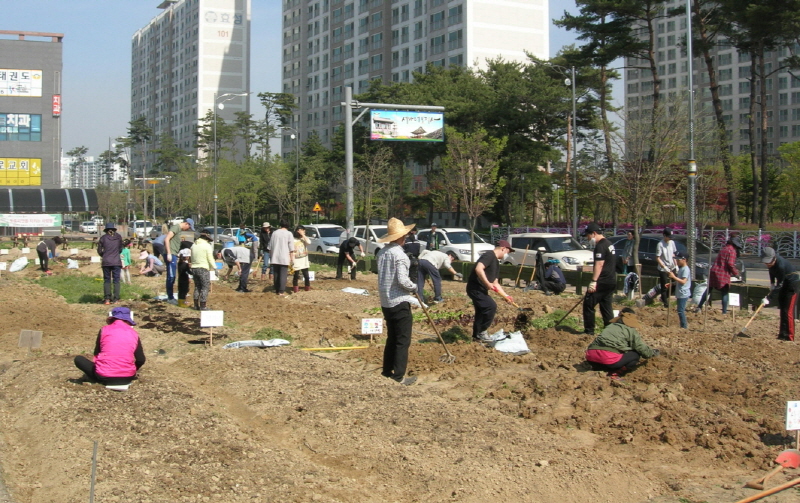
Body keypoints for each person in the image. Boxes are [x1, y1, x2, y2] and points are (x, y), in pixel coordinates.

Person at [376, 218, 418, 386]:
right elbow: (402, 280)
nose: (406, 238)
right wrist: (414, 287)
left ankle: (387, 371)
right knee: (402, 340)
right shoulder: (399, 255)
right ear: (401, 237)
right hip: (399, 301)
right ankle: (399, 376)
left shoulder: (382, 253)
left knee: (391, 338)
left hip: (386, 301)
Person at [73, 307, 145, 386]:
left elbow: (97, 353)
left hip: (104, 376)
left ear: (112, 318)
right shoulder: (134, 333)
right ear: (128, 320)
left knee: (78, 359)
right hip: (127, 377)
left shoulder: (104, 330)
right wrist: (132, 369)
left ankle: (96, 378)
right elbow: (141, 359)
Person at [585, 308, 659, 379]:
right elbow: (640, 347)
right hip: (608, 360)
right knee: (635, 355)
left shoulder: (610, 326)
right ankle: (615, 373)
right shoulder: (630, 330)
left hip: (591, 358)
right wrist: (652, 353)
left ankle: (598, 368)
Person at [465, 239, 515, 342]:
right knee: (490, 306)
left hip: (481, 289)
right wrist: (487, 283)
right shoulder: (489, 255)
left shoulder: (496, 263)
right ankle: (482, 331)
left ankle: (477, 337)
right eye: (507, 252)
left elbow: (495, 283)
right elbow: (479, 268)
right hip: (475, 288)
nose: (507, 255)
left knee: (481, 312)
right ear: (503, 248)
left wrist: (506, 296)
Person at [582, 222, 617, 335]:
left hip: (602, 281)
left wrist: (593, 281)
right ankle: (610, 331)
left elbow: (599, 264)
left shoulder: (600, 246)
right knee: (606, 306)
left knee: (588, 304)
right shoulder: (609, 243)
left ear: (594, 233)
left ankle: (589, 331)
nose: (587, 238)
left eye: (588, 236)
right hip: (611, 280)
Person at [762, 247, 800, 341]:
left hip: (792, 286)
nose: (768, 264)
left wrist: (769, 298)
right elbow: (771, 272)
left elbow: (780, 284)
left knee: (788, 312)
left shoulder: (781, 265)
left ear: (774, 258)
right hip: (783, 286)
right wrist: (772, 283)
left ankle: (790, 336)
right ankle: (782, 334)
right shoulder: (771, 265)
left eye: (769, 262)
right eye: (766, 263)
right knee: (782, 310)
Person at [696, 236, 742, 314]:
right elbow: (730, 264)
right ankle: (724, 312)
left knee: (708, 290)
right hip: (722, 273)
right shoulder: (732, 251)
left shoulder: (724, 248)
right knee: (724, 292)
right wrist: (736, 273)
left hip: (714, 271)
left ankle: (699, 307)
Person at [163, 218, 195, 305]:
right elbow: (167, 239)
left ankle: (171, 296)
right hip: (171, 254)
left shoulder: (179, 230)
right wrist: (169, 253)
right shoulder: (176, 228)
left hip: (174, 254)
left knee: (172, 276)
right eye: (189, 227)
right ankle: (170, 297)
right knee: (171, 276)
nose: (188, 229)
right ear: (186, 224)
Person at [97, 222, 123, 305]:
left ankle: (107, 299)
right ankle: (116, 299)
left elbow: (99, 251)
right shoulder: (118, 237)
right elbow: (120, 249)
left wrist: (104, 255)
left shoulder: (103, 238)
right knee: (116, 281)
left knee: (107, 280)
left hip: (106, 262)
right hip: (116, 262)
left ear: (106, 230)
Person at [268, 220, 295, 296]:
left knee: (276, 273)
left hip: (275, 256)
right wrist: (292, 259)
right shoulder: (289, 234)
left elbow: (270, 247)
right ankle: (281, 291)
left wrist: (271, 256)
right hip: (284, 256)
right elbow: (291, 248)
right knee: (283, 274)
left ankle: (276, 289)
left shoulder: (274, 233)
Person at [190, 232, 215, 310]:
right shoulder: (207, 246)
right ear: (206, 239)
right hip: (203, 268)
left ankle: (195, 305)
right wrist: (215, 267)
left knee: (197, 287)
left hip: (194, 268)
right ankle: (203, 306)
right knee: (205, 287)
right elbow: (210, 258)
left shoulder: (193, 245)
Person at [655, 228, 677, 308]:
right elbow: (658, 258)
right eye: (669, 237)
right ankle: (665, 304)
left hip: (672, 266)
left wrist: (676, 265)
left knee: (675, 283)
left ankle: (664, 297)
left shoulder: (672, 243)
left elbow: (673, 254)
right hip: (663, 268)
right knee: (664, 286)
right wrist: (664, 267)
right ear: (664, 235)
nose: (670, 238)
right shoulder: (660, 244)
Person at [669, 251, 691, 329]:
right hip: (680, 293)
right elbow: (680, 280)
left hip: (683, 293)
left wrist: (673, 276)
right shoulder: (682, 269)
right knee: (679, 310)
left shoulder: (685, 269)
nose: (677, 261)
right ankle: (683, 326)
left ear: (684, 259)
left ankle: (684, 327)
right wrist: (672, 284)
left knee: (680, 310)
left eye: (678, 260)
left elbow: (683, 281)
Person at [292, 225, 312, 293]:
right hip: (296, 259)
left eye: (303, 230)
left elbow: (309, 242)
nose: (302, 232)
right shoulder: (293, 239)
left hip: (304, 259)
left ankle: (307, 287)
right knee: (296, 275)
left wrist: (303, 235)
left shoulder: (304, 238)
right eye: (300, 230)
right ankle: (295, 288)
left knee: (306, 275)